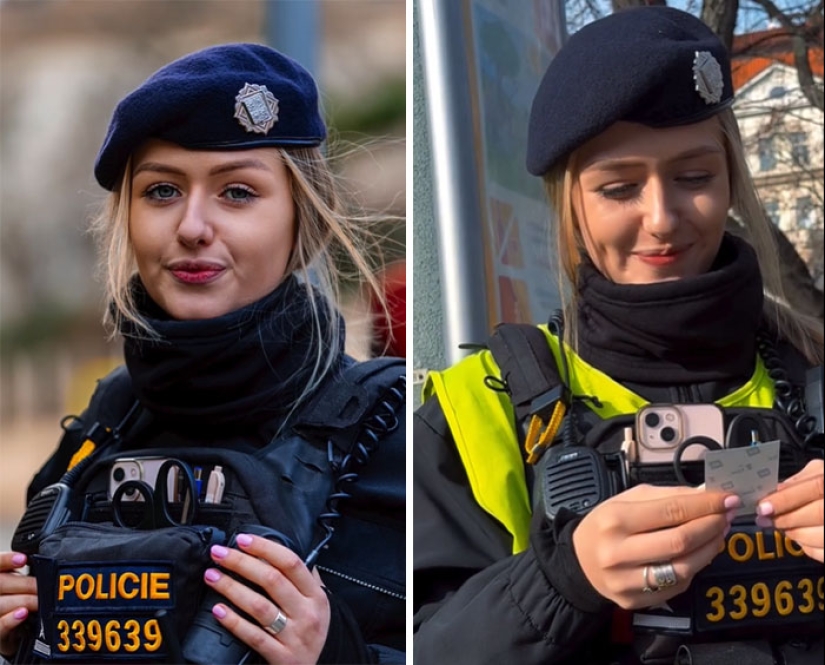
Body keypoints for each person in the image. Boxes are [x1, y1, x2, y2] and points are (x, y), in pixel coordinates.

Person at [414, 6, 823, 665]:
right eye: (618, 186)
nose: (660, 219)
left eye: (693, 177)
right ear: (570, 201)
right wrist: (561, 578)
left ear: (730, 181)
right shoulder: (473, 408)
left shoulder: (812, 364)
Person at [0, 43, 405, 664]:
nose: (192, 226)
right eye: (161, 191)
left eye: (237, 192)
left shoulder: (395, 434)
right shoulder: (96, 433)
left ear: (307, 223)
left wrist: (333, 654)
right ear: (126, 221)